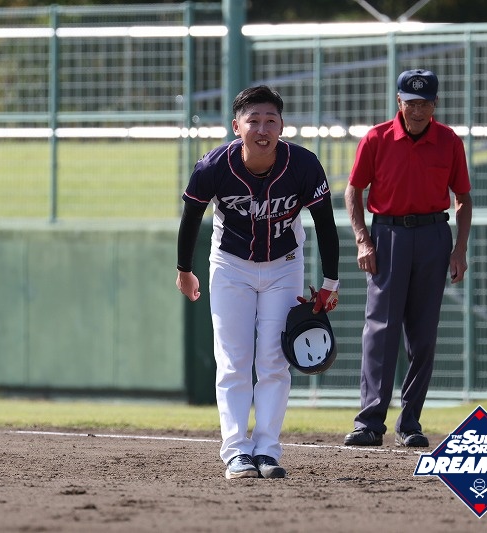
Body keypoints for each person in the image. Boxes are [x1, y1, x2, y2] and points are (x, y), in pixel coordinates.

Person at [175, 85, 340, 479]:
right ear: (237, 127)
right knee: (233, 360)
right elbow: (191, 217)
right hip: (231, 266)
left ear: (282, 125)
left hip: (284, 266)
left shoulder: (303, 164)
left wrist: (330, 281)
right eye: (254, 121)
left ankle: (267, 450)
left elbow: (325, 223)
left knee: (274, 361)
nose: (262, 129)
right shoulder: (214, 166)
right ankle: (236, 451)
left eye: (271, 120)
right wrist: (184, 269)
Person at [343, 69, 473, 448]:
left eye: (425, 103)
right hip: (388, 237)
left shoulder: (449, 141)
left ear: (436, 104)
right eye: (410, 103)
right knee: (380, 330)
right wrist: (363, 240)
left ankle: (410, 422)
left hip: (434, 236)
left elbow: (463, 199)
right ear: (398, 101)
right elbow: (353, 190)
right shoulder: (377, 138)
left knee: (423, 334)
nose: (417, 111)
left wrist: (459, 250)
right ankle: (370, 423)